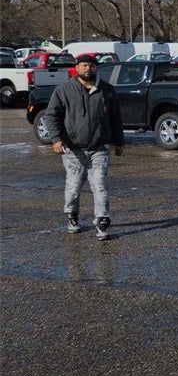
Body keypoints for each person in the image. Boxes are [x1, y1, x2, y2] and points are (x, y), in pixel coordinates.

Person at [45, 53, 124, 240]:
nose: (88, 69)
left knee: (100, 185)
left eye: (91, 66)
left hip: (99, 148)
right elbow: (51, 116)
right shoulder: (63, 91)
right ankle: (72, 215)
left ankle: (102, 222)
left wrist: (118, 141)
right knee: (73, 187)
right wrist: (57, 139)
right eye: (84, 66)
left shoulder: (107, 90)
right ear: (77, 68)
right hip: (73, 149)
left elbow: (115, 118)